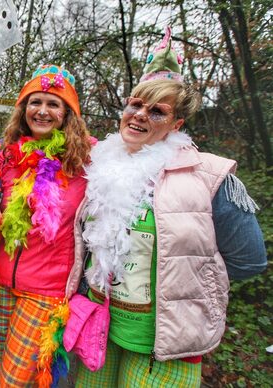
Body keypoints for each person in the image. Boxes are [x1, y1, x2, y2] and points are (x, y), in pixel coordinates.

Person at [70, 27, 267, 387]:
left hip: (164, 343)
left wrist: (189, 290)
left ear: (176, 125)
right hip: (99, 326)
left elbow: (249, 260)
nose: (140, 115)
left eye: (157, 111)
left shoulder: (209, 176)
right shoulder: (96, 167)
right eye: (136, 105)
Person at [0, 64, 94, 387]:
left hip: (45, 292)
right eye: (35, 102)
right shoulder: (6, 158)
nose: (42, 111)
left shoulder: (87, 162)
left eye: (53, 104)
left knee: (12, 382)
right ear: (23, 109)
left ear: (68, 114)